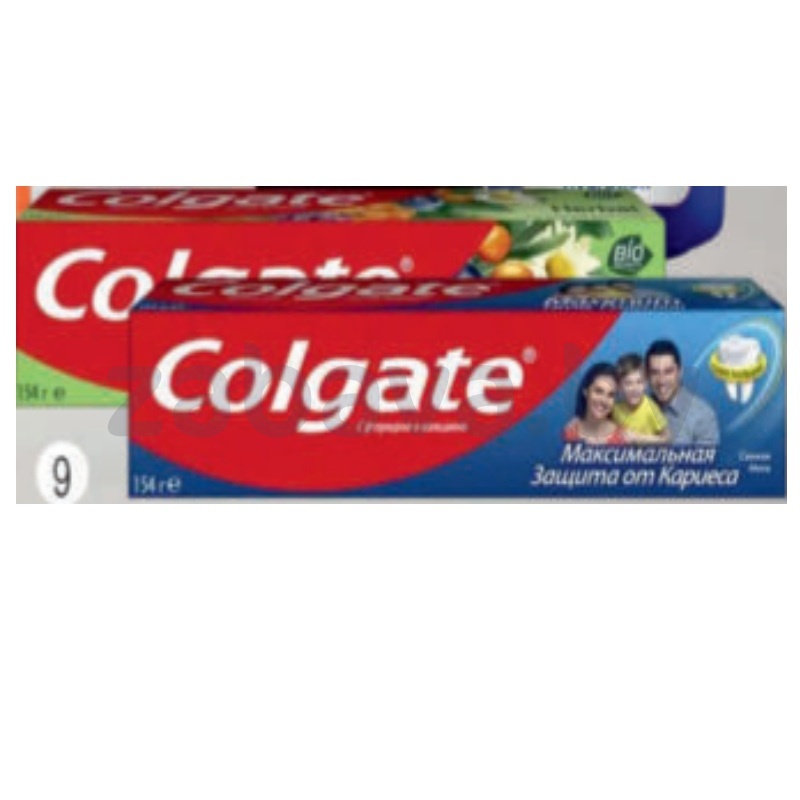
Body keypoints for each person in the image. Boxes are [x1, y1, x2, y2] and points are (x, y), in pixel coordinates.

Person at [646, 340, 720, 446]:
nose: (661, 381)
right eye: (655, 373)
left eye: (668, 372)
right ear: (647, 376)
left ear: (680, 372)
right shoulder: (636, 410)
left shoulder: (702, 415)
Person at [613, 354, 670, 445]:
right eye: (628, 383)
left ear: (645, 384)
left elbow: (666, 438)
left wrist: (639, 438)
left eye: (639, 382)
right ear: (619, 387)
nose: (634, 388)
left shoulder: (650, 408)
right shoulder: (616, 409)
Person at [564, 364, 627, 445]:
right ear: (585, 391)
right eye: (598, 391)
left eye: (611, 395)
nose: (603, 400)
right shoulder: (569, 432)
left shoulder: (624, 438)